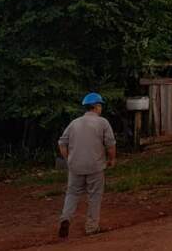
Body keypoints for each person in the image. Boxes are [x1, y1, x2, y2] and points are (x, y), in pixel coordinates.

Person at [57, 93, 116, 238]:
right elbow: (110, 145)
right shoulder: (103, 122)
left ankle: (66, 217)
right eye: (100, 105)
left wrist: (69, 158)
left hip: (75, 166)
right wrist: (112, 159)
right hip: (95, 166)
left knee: (72, 193)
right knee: (94, 196)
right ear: (96, 107)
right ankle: (91, 227)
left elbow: (62, 143)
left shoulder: (74, 123)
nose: (100, 108)